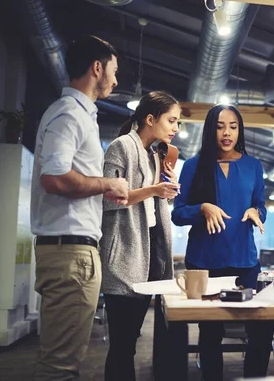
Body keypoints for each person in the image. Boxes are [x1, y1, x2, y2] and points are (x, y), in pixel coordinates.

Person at [30, 35, 129, 380]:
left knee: (63, 359)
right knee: (60, 366)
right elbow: (54, 178)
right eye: (113, 72)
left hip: (71, 252)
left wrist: (103, 191)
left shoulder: (79, 115)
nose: (116, 81)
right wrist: (108, 184)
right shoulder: (70, 113)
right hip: (70, 253)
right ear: (96, 68)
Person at [171, 104, 274, 381]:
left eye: (232, 126)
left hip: (245, 263)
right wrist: (201, 208)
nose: (226, 133)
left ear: (239, 130)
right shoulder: (193, 166)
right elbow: (177, 214)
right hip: (204, 263)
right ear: (210, 130)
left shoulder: (253, 166)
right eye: (219, 127)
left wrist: (256, 213)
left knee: (261, 330)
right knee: (210, 335)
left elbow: (259, 204)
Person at [99, 91, 181, 380]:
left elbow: (152, 207)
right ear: (150, 119)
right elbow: (108, 200)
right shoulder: (121, 146)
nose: (175, 128)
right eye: (171, 120)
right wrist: (154, 190)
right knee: (122, 345)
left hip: (146, 259)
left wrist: (166, 192)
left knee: (130, 343)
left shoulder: (153, 155)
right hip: (123, 257)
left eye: (177, 122)